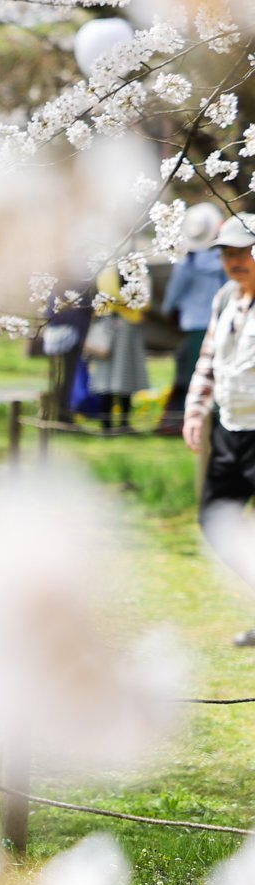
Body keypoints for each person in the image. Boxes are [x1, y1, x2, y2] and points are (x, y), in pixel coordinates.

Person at [185, 214, 255, 645]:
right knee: (217, 518)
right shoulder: (224, 298)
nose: (234, 261)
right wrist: (195, 410)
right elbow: (209, 357)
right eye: (227, 254)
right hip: (230, 429)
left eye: (242, 252)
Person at [162, 205, 228, 431]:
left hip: (193, 325)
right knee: (217, 371)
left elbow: (173, 294)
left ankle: (187, 419)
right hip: (218, 322)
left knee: (193, 375)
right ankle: (215, 417)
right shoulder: (223, 260)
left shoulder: (186, 264)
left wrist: (167, 309)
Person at [84, 265, 150, 431]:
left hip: (118, 327)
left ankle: (116, 423)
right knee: (116, 377)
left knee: (118, 377)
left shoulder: (117, 269)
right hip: (118, 327)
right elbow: (142, 300)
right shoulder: (116, 268)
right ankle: (114, 423)